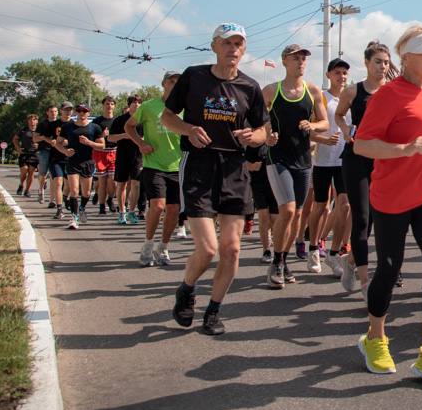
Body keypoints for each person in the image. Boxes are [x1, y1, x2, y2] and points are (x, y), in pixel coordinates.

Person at [354, 24, 422, 384]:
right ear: (406, 57)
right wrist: (403, 150)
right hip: (393, 195)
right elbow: (362, 145)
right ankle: (375, 338)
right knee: (388, 269)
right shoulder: (388, 95)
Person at [162, 23, 269, 336]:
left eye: (238, 44)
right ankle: (186, 289)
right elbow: (167, 118)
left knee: (232, 249)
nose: (233, 49)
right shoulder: (194, 76)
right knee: (208, 249)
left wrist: (254, 137)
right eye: (227, 43)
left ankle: (213, 310)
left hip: (235, 169)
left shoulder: (249, 87)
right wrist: (189, 130)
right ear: (214, 46)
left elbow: (264, 130)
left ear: (244, 50)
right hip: (200, 166)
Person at [263, 44, 330, 286]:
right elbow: (258, 121)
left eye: (303, 58)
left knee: (299, 214)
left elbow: (324, 123)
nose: (301, 62)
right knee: (288, 210)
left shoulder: (312, 90)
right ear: (284, 61)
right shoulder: (271, 91)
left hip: (303, 159)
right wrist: (266, 135)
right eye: (295, 58)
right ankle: (278, 263)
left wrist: (312, 126)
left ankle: (282, 259)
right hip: (277, 158)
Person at [336, 41, 394, 296]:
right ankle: (364, 281)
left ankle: (350, 261)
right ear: (367, 63)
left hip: (382, 159)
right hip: (356, 158)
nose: (383, 67)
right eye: (378, 62)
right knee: (360, 217)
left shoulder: (393, 91)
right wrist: (346, 129)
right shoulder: (353, 91)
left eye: (386, 62)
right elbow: (339, 115)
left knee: (375, 218)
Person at [128, 72, 183, 267]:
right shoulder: (149, 106)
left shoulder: (186, 108)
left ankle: (163, 247)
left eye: (178, 82)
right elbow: (129, 126)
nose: (175, 84)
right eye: (171, 81)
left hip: (178, 166)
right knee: (158, 206)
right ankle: (148, 244)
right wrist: (141, 143)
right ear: (163, 83)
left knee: (174, 209)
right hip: (153, 164)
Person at [304, 58, 351, 275]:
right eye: (337, 73)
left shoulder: (351, 97)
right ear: (328, 75)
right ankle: (313, 247)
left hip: (345, 161)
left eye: (344, 73)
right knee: (321, 206)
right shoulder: (322, 98)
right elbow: (310, 131)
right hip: (323, 160)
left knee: (345, 206)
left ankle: (334, 253)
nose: (341, 77)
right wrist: (323, 140)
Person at [58, 104, 106, 228]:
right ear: (76, 112)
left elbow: (102, 145)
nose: (82, 113)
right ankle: (74, 218)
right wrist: (64, 151)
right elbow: (57, 143)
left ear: (88, 113)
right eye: (79, 110)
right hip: (72, 161)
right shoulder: (68, 126)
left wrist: (89, 142)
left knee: (86, 192)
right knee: (74, 191)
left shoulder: (95, 127)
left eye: (84, 111)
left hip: (88, 162)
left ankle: (82, 207)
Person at [108, 96, 142, 224]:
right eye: (134, 102)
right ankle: (122, 212)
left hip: (138, 156)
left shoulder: (143, 120)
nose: (137, 104)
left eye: (139, 102)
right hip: (123, 155)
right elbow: (110, 138)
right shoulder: (120, 120)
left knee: (136, 184)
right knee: (122, 184)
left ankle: (132, 212)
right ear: (129, 105)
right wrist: (125, 135)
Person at [90, 96, 119, 215]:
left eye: (112, 104)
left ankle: (110, 199)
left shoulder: (117, 121)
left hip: (114, 151)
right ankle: (101, 206)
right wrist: (102, 135)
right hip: (100, 152)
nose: (109, 106)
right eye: (107, 104)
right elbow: (91, 138)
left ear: (114, 106)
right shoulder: (97, 122)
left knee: (113, 181)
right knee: (102, 181)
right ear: (103, 105)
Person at [33, 104, 59, 204]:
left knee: (55, 175)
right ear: (47, 113)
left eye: (55, 111)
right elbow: (35, 138)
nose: (53, 113)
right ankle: (41, 190)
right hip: (44, 151)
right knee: (43, 173)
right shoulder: (42, 124)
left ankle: (52, 199)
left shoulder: (59, 124)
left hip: (56, 151)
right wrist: (44, 138)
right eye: (51, 111)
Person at [14, 113, 39, 196]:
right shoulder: (23, 130)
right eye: (30, 119)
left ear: (37, 121)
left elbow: (45, 140)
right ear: (28, 121)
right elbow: (15, 139)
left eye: (34, 119)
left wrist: (39, 145)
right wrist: (17, 148)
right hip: (24, 153)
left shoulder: (39, 131)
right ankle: (21, 184)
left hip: (34, 154)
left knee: (31, 172)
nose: (32, 121)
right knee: (24, 170)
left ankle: (27, 190)